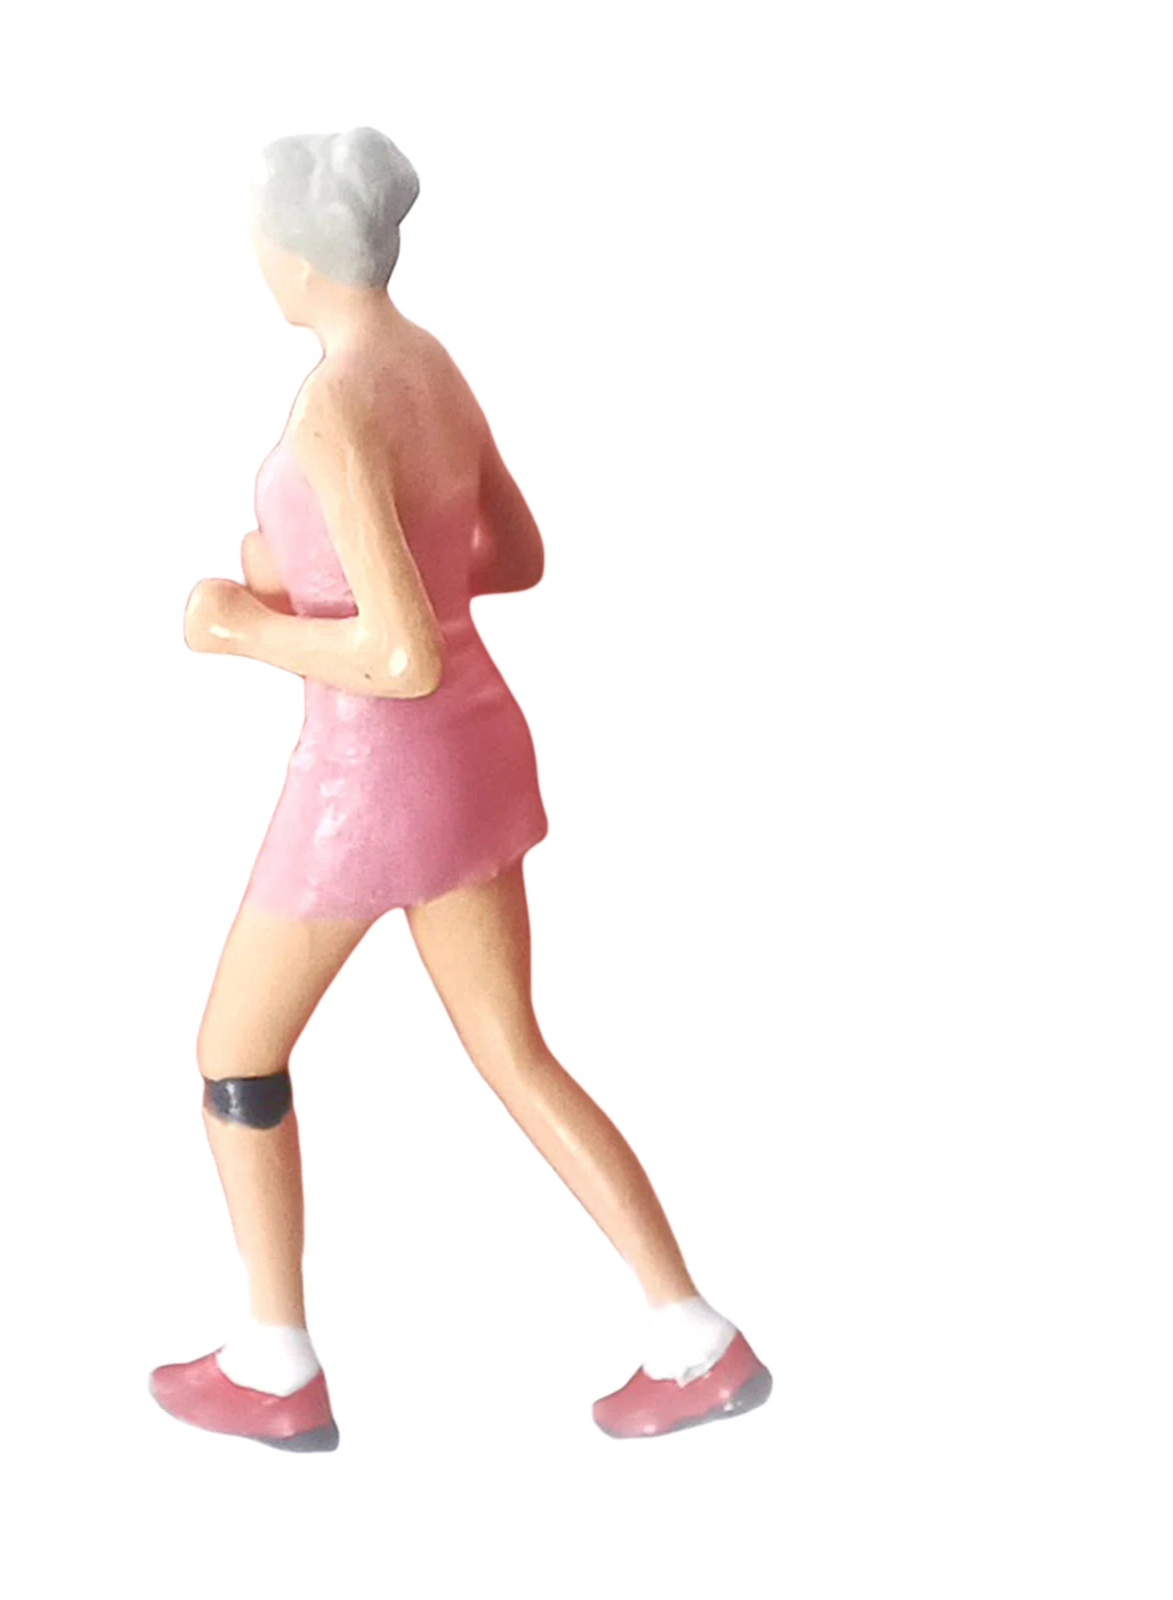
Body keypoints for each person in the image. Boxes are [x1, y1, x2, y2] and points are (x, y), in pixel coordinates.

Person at [149, 128, 770, 1450]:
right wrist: (320, 584)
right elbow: (512, 555)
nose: (254, 259)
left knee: (234, 1053)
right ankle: (695, 1340)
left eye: (259, 238)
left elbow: (396, 656)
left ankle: (272, 1362)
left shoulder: (333, 407)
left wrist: (243, 627)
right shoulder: (426, 363)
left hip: (368, 780)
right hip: (475, 755)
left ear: (300, 253)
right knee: (514, 1050)